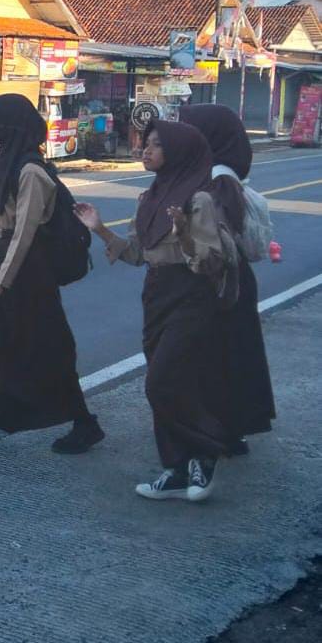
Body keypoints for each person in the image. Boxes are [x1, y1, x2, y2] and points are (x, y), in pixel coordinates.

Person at [75, 120, 235, 502]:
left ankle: (208, 450)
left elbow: (212, 262)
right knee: (170, 384)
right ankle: (177, 467)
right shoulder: (149, 198)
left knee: (162, 382)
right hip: (157, 296)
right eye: (145, 143)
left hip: (192, 296)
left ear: (178, 152)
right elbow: (137, 254)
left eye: (157, 145)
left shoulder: (200, 200)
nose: (146, 150)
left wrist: (184, 234)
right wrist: (99, 229)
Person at [0, 94, 103, 457]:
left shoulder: (31, 172)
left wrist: (0, 284)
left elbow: (25, 232)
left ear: (9, 126)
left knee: (47, 347)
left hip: (30, 273)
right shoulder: (6, 164)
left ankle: (84, 423)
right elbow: (1, 227)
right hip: (7, 267)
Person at [178, 104, 275, 454]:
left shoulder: (217, 178)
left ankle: (220, 431)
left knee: (218, 357)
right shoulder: (219, 173)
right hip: (229, 280)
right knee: (229, 355)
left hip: (219, 281)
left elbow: (216, 239)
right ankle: (230, 429)